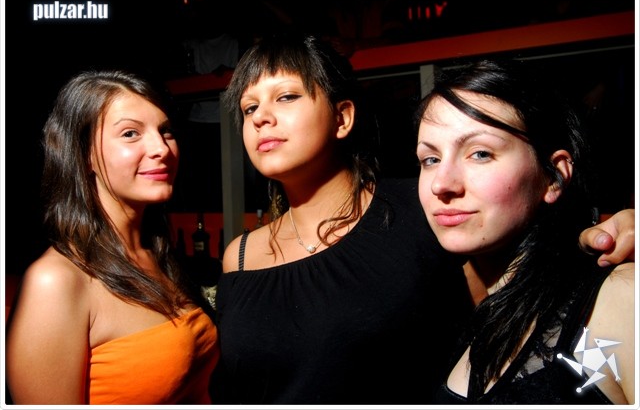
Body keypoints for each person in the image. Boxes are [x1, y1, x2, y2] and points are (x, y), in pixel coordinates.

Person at [210, 33, 635, 404]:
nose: (261, 117)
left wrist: (601, 236)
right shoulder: (240, 256)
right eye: (248, 108)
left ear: (342, 117)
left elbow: (527, 284)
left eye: (286, 96)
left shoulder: (423, 211)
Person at [415, 59, 635, 404]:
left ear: (554, 177)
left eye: (480, 153)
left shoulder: (619, 298)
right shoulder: (455, 310)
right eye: (430, 159)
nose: (441, 184)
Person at [6, 70, 220, 404]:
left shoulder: (158, 253)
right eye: (131, 133)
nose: (161, 148)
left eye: (165, 131)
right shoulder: (57, 282)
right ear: (84, 154)